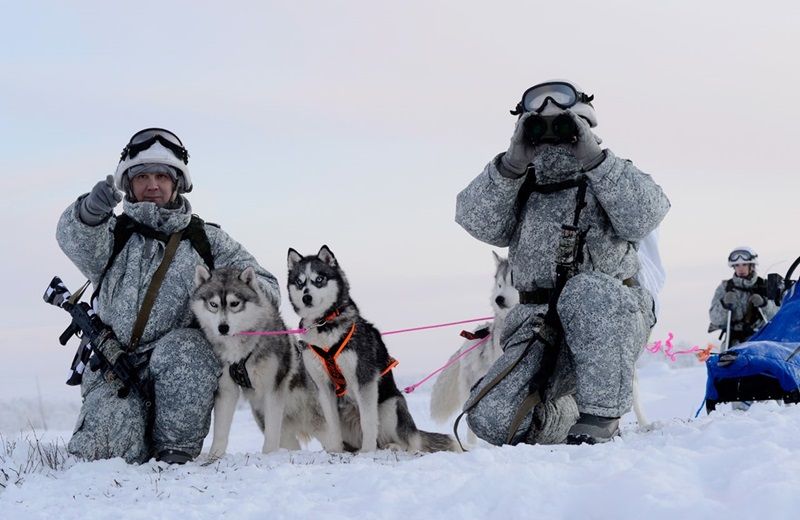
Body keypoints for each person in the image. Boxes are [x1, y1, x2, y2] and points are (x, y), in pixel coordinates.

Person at [455, 80, 670, 445]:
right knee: (490, 417)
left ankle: (601, 415)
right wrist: (511, 164)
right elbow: (476, 220)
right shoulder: (521, 184)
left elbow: (645, 215)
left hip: (609, 318)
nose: (553, 133)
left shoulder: (611, 174)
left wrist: (594, 160)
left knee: (584, 290)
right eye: (540, 124)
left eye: (564, 124)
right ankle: (569, 412)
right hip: (539, 324)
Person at [56, 128, 280, 464]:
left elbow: (266, 287)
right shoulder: (113, 234)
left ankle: (175, 453)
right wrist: (90, 213)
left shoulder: (207, 240)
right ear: (128, 183)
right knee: (101, 457)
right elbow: (76, 240)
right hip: (114, 366)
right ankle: (136, 434)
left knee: (188, 348)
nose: (152, 185)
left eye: (162, 176)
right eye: (142, 176)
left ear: (177, 183)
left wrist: (231, 301)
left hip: (179, 364)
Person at [708, 246, 779, 348]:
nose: (740, 268)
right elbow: (715, 319)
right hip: (733, 344)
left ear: (752, 266)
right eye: (737, 265)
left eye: (744, 264)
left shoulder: (765, 286)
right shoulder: (725, 287)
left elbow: (777, 318)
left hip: (761, 342)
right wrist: (724, 304)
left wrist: (764, 304)